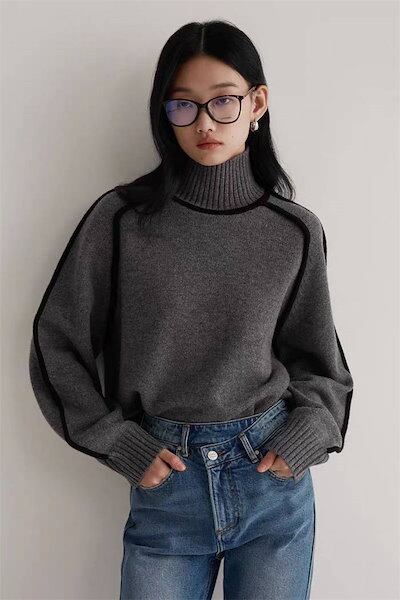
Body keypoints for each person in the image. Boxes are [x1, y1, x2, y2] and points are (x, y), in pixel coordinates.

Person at [28, 19, 354, 600]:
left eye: (223, 101)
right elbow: (58, 342)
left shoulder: (294, 231)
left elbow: (323, 365)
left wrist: (306, 435)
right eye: (183, 106)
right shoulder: (121, 222)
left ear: (257, 104)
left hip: (271, 481)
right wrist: (116, 440)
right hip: (166, 482)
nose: (204, 123)